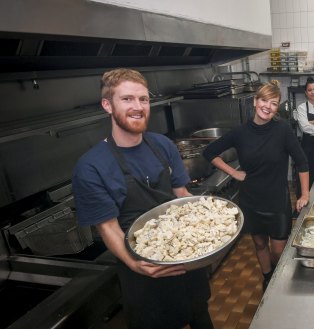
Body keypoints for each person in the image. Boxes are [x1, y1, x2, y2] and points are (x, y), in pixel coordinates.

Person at [72, 68, 213, 329]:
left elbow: (181, 195)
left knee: (200, 315)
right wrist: (136, 264)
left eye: (143, 99)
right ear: (107, 105)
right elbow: (108, 227)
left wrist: (211, 230)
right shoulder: (91, 166)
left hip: (186, 260)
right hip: (143, 277)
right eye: (127, 99)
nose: (138, 107)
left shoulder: (163, 145)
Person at [203, 80, 309, 291]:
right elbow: (209, 152)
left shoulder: (283, 130)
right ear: (255, 101)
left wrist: (304, 194)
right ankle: (267, 277)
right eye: (264, 100)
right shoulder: (240, 133)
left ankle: (279, 280)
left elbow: (302, 161)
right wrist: (233, 172)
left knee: (278, 250)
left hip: (277, 201)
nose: (267, 106)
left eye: (273, 103)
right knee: (259, 244)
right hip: (251, 200)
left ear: (276, 108)